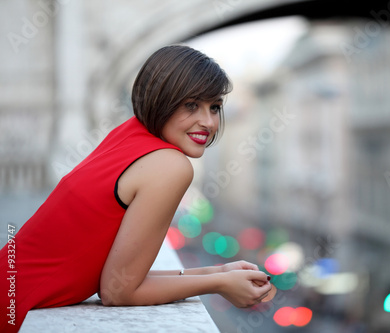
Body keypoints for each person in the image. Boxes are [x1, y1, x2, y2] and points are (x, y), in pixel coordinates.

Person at [0, 44, 272, 332]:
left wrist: (217, 271)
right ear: (161, 100)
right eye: (191, 105)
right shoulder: (170, 165)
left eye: (214, 107)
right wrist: (219, 284)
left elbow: (122, 276)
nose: (207, 122)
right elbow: (118, 292)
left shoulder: (128, 134)